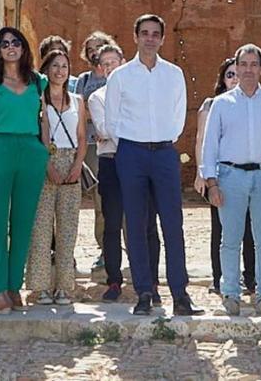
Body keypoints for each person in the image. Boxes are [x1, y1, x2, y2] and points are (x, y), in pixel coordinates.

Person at [105, 14, 203, 316]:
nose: (149, 38)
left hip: (163, 152)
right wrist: (132, 141)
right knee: (135, 224)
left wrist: (163, 140)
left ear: (162, 38)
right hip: (131, 153)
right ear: (135, 37)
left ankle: (180, 294)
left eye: (155, 34)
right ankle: (144, 292)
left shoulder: (173, 74)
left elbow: (178, 114)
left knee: (173, 224)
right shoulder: (120, 76)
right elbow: (112, 119)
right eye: (144, 33)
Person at [203, 44, 261, 317]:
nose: (248, 70)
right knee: (230, 239)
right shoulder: (221, 104)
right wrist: (212, 182)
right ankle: (230, 294)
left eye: (254, 64)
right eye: (244, 64)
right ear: (236, 67)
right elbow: (210, 145)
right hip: (231, 177)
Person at [0, 27, 48, 314]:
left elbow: (43, 121)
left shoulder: (37, 82)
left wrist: (45, 152)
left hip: (31, 152)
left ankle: (15, 285)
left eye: (15, 42)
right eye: (4, 44)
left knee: (23, 222)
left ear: (23, 47)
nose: (10, 47)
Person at [88, 43, 162, 302]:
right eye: (104, 64)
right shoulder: (97, 98)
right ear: (100, 69)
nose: (110, 68)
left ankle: (151, 281)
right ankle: (114, 280)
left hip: (143, 162)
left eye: (113, 62)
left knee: (146, 223)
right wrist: (133, 135)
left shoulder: (141, 92)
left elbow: (126, 128)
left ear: (123, 62)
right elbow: (104, 128)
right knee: (112, 223)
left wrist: (123, 132)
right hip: (112, 162)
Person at [26, 49, 88, 305]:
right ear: (46, 70)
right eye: (54, 66)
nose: (60, 71)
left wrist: (78, 164)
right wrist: (47, 164)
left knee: (67, 229)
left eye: (64, 66)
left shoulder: (77, 100)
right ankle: (39, 287)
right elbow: (39, 133)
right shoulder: (38, 99)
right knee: (40, 228)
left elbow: (83, 136)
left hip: (71, 161)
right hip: (45, 162)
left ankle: (64, 286)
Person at [194, 57, 254, 298]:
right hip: (218, 175)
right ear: (222, 79)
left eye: (237, 74)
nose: (234, 79)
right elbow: (201, 140)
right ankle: (219, 278)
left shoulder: (251, 102)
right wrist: (202, 172)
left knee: (250, 228)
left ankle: (250, 277)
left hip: (246, 174)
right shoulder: (210, 105)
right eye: (229, 74)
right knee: (220, 229)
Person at [74, 31, 117, 273]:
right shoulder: (83, 79)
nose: (94, 51)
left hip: (116, 145)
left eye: (99, 46)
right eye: (90, 48)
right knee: (100, 202)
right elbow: (78, 108)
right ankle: (105, 250)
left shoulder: (118, 75)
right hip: (91, 145)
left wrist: (100, 117)